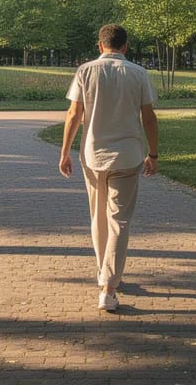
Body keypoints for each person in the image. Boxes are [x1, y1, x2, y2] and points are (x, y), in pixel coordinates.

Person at [59, 24, 159, 313]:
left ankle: (105, 274)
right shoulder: (138, 73)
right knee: (119, 221)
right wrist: (153, 153)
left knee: (98, 217)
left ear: (100, 45)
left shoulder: (85, 71)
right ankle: (109, 285)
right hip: (128, 156)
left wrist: (64, 152)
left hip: (93, 155)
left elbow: (73, 113)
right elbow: (149, 118)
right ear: (125, 47)